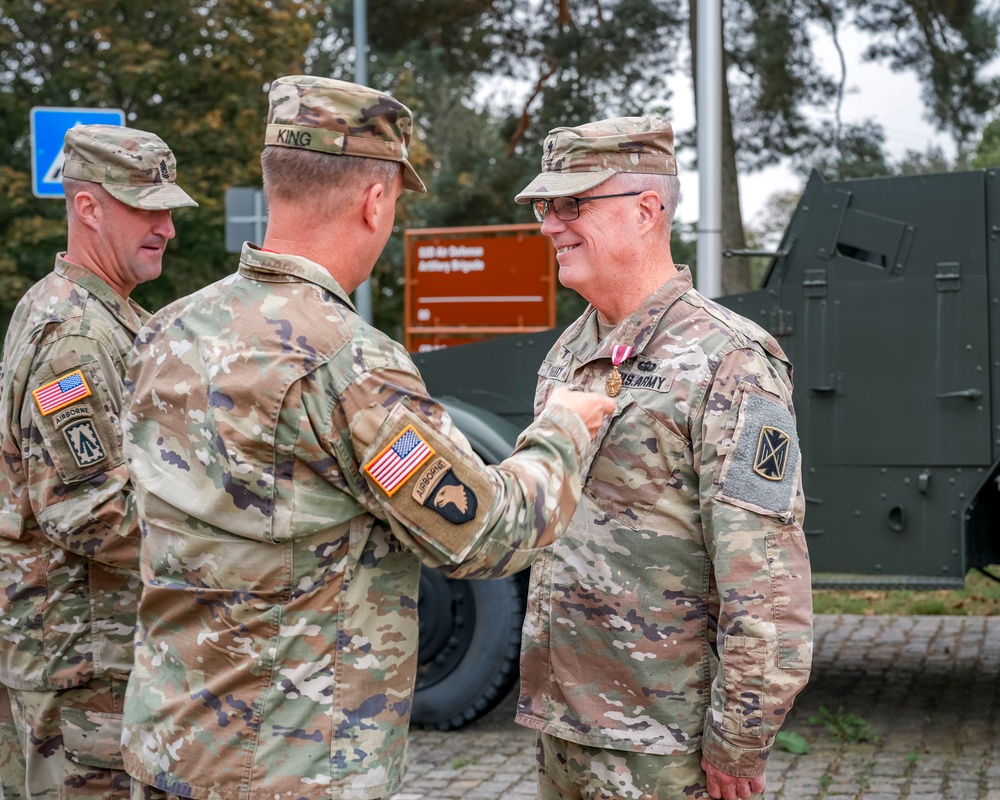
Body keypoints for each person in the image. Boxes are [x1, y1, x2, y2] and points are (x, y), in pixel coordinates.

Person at [119, 75, 615, 800]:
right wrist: (566, 428)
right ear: (375, 199)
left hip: (169, 746)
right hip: (288, 768)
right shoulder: (344, 362)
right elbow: (482, 535)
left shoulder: (167, 332)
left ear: (275, 183)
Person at [513, 116, 813, 800]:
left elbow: (764, 577)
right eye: (545, 206)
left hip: (664, 740)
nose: (550, 225)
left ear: (648, 210)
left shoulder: (728, 361)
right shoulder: (569, 353)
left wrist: (739, 739)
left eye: (573, 204)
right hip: (566, 726)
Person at [0, 125, 197, 799]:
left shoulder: (97, 315)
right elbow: (82, 509)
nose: (167, 227)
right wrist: (219, 541)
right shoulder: (76, 336)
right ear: (89, 208)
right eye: (148, 209)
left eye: (169, 210)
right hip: (82, 671)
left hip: (86, 657)